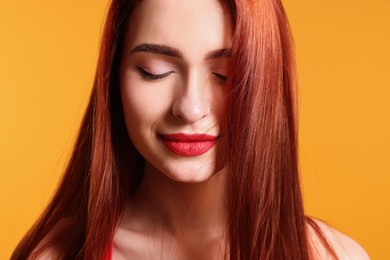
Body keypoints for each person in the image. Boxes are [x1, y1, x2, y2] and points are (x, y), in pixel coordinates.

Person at [12, 0, 370, 259]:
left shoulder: (335, 256)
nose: (190, 108)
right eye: (154, 70)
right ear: (113, 80)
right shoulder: (54, 254)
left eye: (226, 76)